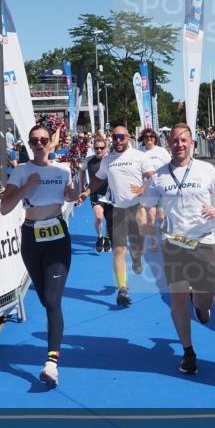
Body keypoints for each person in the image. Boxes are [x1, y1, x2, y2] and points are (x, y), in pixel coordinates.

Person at [138, 123, 215, 375]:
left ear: (192, 144)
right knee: (177, 298)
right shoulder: (159, 175)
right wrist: (144, 221)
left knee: (203, 298)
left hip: (202, 241)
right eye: (175, 140)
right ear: (168, 144)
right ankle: (188, 352)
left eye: (183, 140)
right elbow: (145, 205)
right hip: (174, 243)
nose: (179, 144)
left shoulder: (206, 170)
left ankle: (201, 305)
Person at [0, 124, 78, 387]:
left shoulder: (62, 169)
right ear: (29, 144)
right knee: (46, 299)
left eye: (43, 139)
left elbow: (72, 194)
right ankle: (55, 335)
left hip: (57, 237)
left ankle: (51, 363)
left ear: (51, 143)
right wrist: (26, 187)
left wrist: (72, 193)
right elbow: (4, 207)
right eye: (34, 140)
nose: (39, 144)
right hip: (31, 237)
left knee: (53, 300)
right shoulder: (21, 170)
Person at [78, 126, 147, 306]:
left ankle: (137, 257)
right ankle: (122, 289)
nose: (117, 140)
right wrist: (87, 192)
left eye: (121, 137)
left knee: (137, 246)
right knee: (118, 249)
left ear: (128, 137)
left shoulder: (139, 156)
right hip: (117, 209)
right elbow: (99, 178)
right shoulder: (108, 160)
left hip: (137, 208)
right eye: (114, 137)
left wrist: (144, 187)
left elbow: (151, 176)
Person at [83, 135, 111, 252]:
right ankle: (99, 237)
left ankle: (107, 238)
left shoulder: (111, 160)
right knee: (99, 217)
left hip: (110, 193)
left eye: (101, 148)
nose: (99, 150)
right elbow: (81, 170)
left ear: (106, 148)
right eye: (96, 148)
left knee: (109, 219)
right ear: (93, 148)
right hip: (95, 192)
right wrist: (81, 187)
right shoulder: (88, 160)